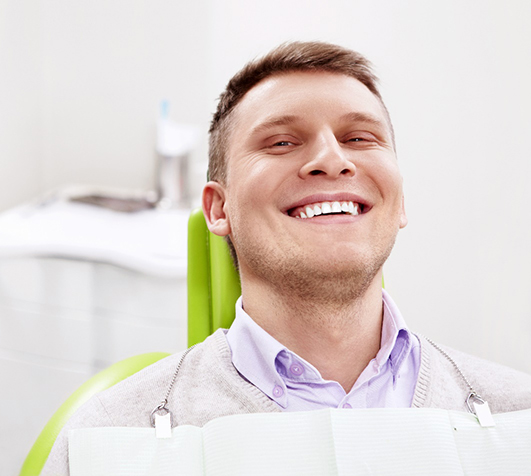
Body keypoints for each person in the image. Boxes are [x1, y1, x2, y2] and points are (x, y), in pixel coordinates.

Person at [42, 41, 531, 475]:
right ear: (218, 208)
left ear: (399, 200)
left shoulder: (519, 418)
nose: (333, 159)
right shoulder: (109, 442)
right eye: (281, 142)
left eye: (360, 138)